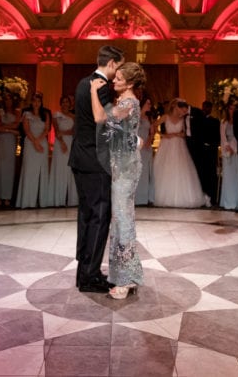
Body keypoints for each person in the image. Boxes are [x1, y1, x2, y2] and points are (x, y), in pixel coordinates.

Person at [69, 44, 124, 294]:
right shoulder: (101, 87)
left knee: (87, 216)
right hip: (95, 162)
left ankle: (84, 273)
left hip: (80, 158)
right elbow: (100, 121)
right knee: (100, 217)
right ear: (111, 63)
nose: (119, 73)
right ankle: (90, 276)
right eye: (119, 67)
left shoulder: (83, 83)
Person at [90, 61, 146, 299]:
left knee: (122, 220)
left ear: (130, 83)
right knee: (123, 219)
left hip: (125, 170)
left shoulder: (128, 102)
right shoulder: (128, 102)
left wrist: (93, 90)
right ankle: (128, 275)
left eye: (119, 79)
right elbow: (121, 133)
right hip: (123, 166)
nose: (114, 81)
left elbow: (99, 118)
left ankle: (125, 280)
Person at [154, 99, 208, 208]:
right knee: (168, 170)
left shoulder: (182, 119)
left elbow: (185, 133)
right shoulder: (165, 117)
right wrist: (163, 135)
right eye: (179, 107)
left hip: (179, 145)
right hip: (167, 145)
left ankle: (183, 197)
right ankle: (167, 196)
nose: (182, 110)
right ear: (174, 107)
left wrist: (180, 134)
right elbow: (153, 126)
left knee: (181, 169)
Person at [16, 93, 51, 208]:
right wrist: (35, 142)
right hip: (30, 143)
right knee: (29, 171)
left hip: (42, 144)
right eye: (34, 101)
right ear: (31, 102)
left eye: (38, 101)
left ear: (41, 103)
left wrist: (39, 141)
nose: (36, 103)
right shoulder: (26, 114)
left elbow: (47, 130)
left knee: (42, 171)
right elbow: (26, 130)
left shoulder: (45, 114)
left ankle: (41, 201)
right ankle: (27, 201)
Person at [0, 92, 20, 207]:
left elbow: (17, 126)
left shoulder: (17, 111)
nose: (7, 101)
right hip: (0, 140)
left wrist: (5, 128)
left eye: (9, 99)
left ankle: (7, 196)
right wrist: (10, 128)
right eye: (5, 99)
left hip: (11, 141)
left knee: (9, 167)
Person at [50, 95, 77, 207]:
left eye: (67, 102)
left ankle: (71, 200)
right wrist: (61, 142)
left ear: (70, 104)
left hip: (71, 143)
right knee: (60, 169)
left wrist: (64, 133)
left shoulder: (74, 117)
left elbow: (74, 131)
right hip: (59, 144)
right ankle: (58, 200)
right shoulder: (56, 115)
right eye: (63, 102)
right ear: (61, 104)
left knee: (70, 171)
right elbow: (56, 130)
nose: (65, 104)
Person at [218, 99, 238, 210]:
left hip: (237, 151)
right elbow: (223, 137)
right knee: (228, 177)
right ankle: (228, 201)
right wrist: (228, 147)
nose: (232, 111)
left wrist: (234, 149)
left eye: (234, 109)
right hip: (227, 152)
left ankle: (237, 201)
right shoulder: (223, 122)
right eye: (230, 109)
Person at [134, 98, 155, 205]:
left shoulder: (149, 117)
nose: (150, 105)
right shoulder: (134, 116)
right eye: (148, 103)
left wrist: (148, 142)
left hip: (146, 147)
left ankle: (145, 198)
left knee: (146, 172)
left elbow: (152, 132)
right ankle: (136, 198)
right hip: (136, 147)